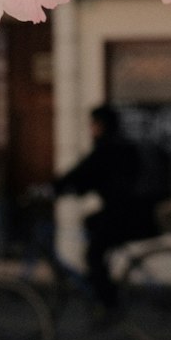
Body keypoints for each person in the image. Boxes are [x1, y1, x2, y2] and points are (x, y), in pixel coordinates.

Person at [52, 105, 159, 313]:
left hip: (124, 213)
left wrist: (56, 187)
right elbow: (90, 175)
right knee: (90, 223)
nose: (91, 129)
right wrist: (74, 187)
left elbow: (85, 172)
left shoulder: (109, 149)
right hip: (130, 210)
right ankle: (100, 280)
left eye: (94, 124)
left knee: (94, 253)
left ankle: (109, 303)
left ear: (102, 125)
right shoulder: (118, 146)